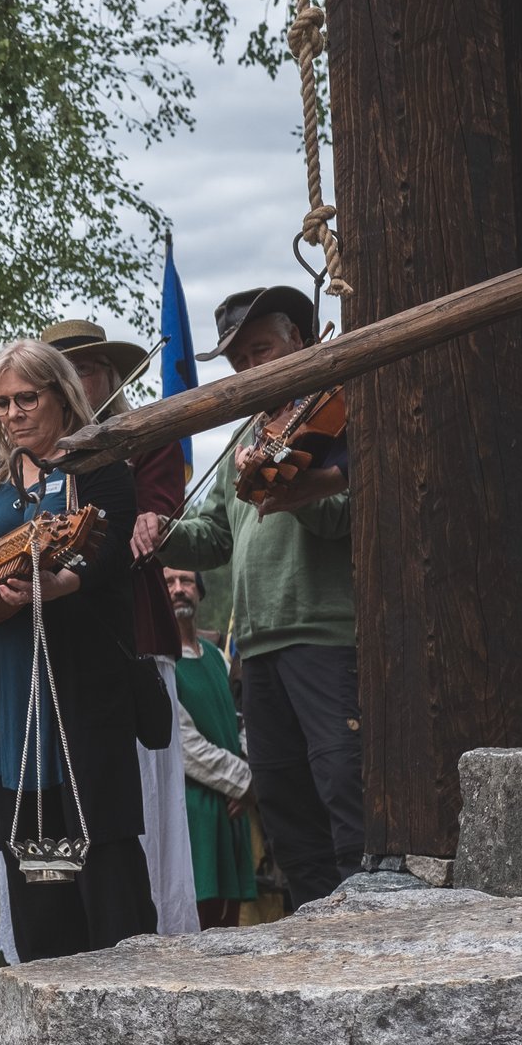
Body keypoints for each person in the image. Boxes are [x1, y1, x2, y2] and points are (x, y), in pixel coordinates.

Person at [154, 285, 361, 905]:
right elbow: (214, 536)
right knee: (282, 798)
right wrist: (157, 534)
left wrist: (290, 482)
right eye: (239, 361)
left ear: (299, 340)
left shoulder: (338, 410)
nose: (250, 370)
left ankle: (368, 924)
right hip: (258, 648)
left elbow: (344, 516)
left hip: (324, 634)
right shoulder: (247, 436)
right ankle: (314, 929)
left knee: (342, 785)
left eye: (261, 351)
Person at [0, 339, 159, 963]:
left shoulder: (101, 469)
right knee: (35, 844)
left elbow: (108, 554)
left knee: (100, 841)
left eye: (26, 398)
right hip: (8, 685)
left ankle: (129, 991)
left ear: (60, 396)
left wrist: (61, 583)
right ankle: (53, 982)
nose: (13, 414)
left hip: (79, 680)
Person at [44, 318, 198, 937]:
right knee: (61, 801)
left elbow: (155, 506)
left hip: (126, 636)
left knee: (135, 803)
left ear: (109, 377)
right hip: (52, 647)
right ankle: (58, 937)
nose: (78, 382)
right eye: (65, 372)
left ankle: (151, 938)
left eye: (88, 370)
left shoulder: (144, 438)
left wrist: (151, 517)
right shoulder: (31, 460)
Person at [165, 568, 256, 927]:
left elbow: (243, 721)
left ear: (199, 592)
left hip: (230, 810)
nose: (178, 590)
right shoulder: (164, 665)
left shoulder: (218, 658)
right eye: (169, 583)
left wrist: (250, 775)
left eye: (186, 582)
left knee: (229, 928)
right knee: (198, 928)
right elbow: (185, 746)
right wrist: (247, 782)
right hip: (194, 814)